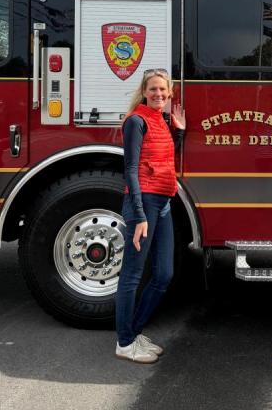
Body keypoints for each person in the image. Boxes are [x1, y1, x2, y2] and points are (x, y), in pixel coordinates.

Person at [115, 68, 185, 364]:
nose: (158, 94)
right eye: (153, 89)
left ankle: (135, 331)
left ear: (170, 94)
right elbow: (130, 168)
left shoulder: (161, 120)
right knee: (131, 275)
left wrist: (179, 130)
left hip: (164, 202)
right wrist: (140, 214)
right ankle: (125, 342)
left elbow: (167, 159)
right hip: (143, 204)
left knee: (164, 274)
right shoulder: (136, 121)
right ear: (144, 91)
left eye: (163, 90)